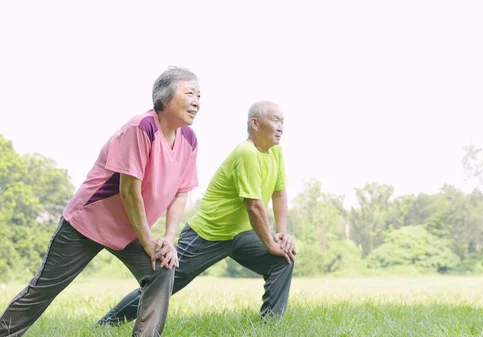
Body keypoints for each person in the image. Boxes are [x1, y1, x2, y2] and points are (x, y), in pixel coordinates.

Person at [0, 66, 201, 337]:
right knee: (44, 289)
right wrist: (148, 241)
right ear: (165, 98)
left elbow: (181, 191)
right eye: (190, 93)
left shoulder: (189, 139)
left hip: (132, 228)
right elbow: (129, 191)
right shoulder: (142, 127)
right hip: (88, 223)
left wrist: (167, 238)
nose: (197, 102)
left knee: (162, 268)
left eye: (199, 95)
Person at [97, 100, 296, 327]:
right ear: (256, 123)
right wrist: (270, 243)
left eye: (283, 122)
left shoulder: (275, 152)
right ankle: (108, 322)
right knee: (168, 282)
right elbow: (254, 206)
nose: (281, 127)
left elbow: (279, 194)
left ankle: (270, 326)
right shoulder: (247, 153)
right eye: (275, 120)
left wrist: (281, 235)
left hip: (240, 234)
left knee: (282, 260)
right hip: (207, 234)